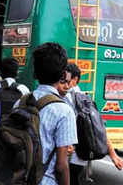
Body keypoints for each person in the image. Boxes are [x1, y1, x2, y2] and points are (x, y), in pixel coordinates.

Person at [20, 42, 78, 185]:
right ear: (63, 74)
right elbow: (61, 166)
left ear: (35, 72)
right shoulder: (64, 111)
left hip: (17, 177)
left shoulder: (22, 100)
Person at [59, 63, 123, 185]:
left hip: (65, 156)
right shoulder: (86, 99)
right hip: (80, 158)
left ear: (74, 79)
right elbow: (99, 130)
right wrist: (113, 155)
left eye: (65, 77)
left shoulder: (65, 97)